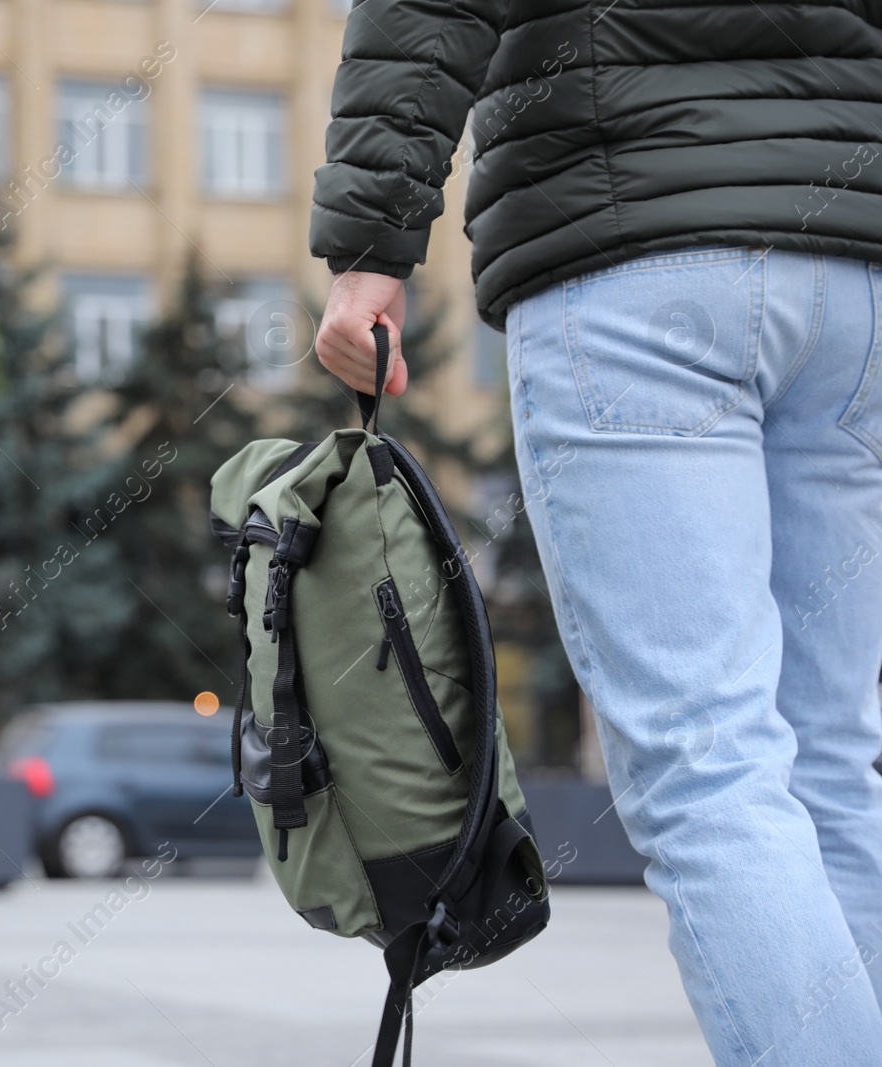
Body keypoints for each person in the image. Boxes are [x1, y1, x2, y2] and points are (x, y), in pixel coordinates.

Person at [309, 2, 882, 1063]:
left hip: (634, 246)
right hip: (853, 267)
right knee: (831, 755)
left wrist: (368, 250)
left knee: (708, 763)